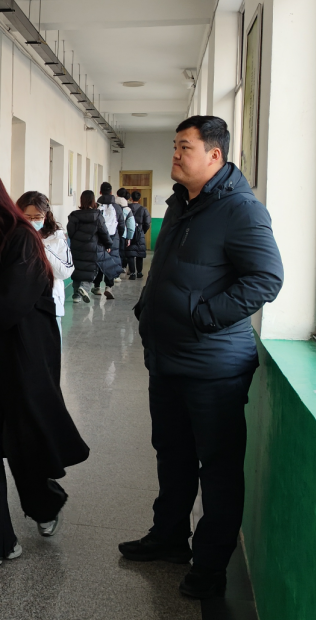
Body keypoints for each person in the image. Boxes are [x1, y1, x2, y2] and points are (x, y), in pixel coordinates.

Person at [119, 116, 283, 599]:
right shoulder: (181, 204)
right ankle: (169, 537)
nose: (174, 154)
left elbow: (266, 279)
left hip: (213, 367)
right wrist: (148, 307)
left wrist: (203, 317)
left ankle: (210, 567)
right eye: (174, 145)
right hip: (168, 358)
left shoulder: (241, 210)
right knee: (172, 455)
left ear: (215, 154)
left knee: (218, 468)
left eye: (184, 147)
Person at [0, 172, 89, 569]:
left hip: (25, 359)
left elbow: (8, 307)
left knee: (23, 442)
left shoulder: (23, 241)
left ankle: (45, 502)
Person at [17, 191, 73, 332]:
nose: (32, 221)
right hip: (20, 304)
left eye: (37, 217)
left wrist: (39, 245)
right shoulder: (12, 238)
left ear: (45, 216)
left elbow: (65, 272)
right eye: (27, 217)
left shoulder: (56, 237)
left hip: (49, 304)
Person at [66, 191, 118, 302]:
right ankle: (84, 288)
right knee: (91, 269)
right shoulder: (97, 215)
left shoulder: (74, 215)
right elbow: (104, 232)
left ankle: (76, 296)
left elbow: (70, 232)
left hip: (77, 247)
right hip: (92, 247)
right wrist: (108, 244)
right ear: (93, 200)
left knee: (77, 269)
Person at [95, 182, 126, 292]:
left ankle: (97, 286)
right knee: (111, 260)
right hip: (114, 237)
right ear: (111, 192)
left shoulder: (96, 206)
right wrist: (118, 236)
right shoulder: (117, 208)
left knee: (99, 259)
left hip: (99, 238)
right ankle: (109, 286)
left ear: (100, 192)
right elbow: (121, 224)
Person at [126, 190, 151, 280]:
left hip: (129, 232)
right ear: (140, 199)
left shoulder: (127, 208)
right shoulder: (143, 209)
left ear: (131, 198)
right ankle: (139, 272)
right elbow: (147, 222)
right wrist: (143, 231)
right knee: (139, 253)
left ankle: (132, 273)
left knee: (130, 253)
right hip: (140, 233)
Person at [116, 188, 135, 276]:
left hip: (110, 234)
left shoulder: (111, 206)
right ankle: (118, 273)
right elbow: (131, 226)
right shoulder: (127, 209)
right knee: (120, 253)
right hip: (122, 235)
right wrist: (129, 237)